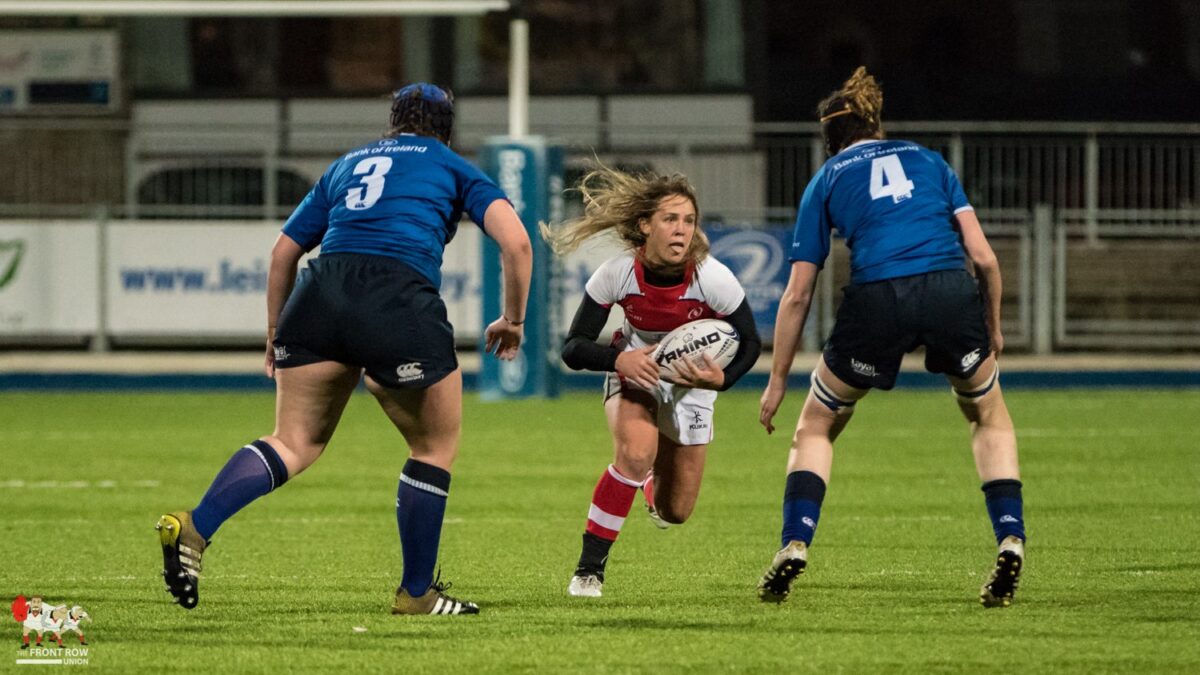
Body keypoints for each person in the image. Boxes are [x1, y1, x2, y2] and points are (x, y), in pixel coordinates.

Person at [155, 83, 532, 616]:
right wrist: (513, 320)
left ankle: (195, 527)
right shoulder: (451, 165)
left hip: (318, 294)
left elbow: (285, 250)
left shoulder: (347, 163)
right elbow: (516, 243)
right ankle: (417, 594)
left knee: (294, 441)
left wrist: (275, 332)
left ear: (392, 120)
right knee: (432, 449)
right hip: (396, 293)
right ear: (447, 128)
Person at [755, 67, 1026, 608]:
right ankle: (1011, 536)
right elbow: (985, 259)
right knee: (987, 415)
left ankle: (795, 542)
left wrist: (777, 379)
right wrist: (991, 326)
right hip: (950, 291)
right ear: (877, 124)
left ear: (830, 139)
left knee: (817, 425)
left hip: (878, 296)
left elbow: (798, 294)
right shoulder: (930, 161)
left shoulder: (827, 178)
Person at [542, 167, 763, 597]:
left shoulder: (712, 278)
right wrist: (619, 359)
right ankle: (589, 571)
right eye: (670, 219)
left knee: (676, 511)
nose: (681, 230)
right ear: (645, 225)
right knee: (636, 453)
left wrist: (722, 381)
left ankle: (649, 485)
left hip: (692, 383)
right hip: (636, 370)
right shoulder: (618, 272)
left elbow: (751, 342)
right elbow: (573, 347)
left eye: (688, 221)